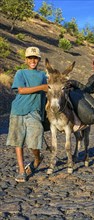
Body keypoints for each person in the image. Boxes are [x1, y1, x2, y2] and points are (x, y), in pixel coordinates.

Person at [6, 46, 48, 182]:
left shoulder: (43, 75)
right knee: (18, 142)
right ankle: (21, 170)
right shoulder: (20, 73)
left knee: (34, 143)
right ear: (26, 60)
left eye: (35, 58)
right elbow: (21, 90)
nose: (33, 60)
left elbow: (48, 93)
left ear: (39, 60)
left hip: (35, 111)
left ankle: (37, 158)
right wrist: (42, 88)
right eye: (30, 58)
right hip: (18, 109)